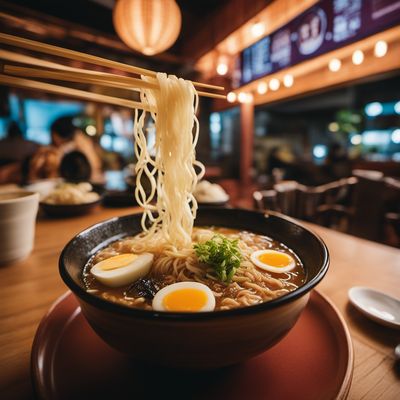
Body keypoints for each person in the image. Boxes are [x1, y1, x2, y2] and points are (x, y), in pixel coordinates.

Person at [28, 116, 103, 182]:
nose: (51, 140)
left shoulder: (81, 144)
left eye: (52, 136)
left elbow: (93, 168)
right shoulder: (78, 143)